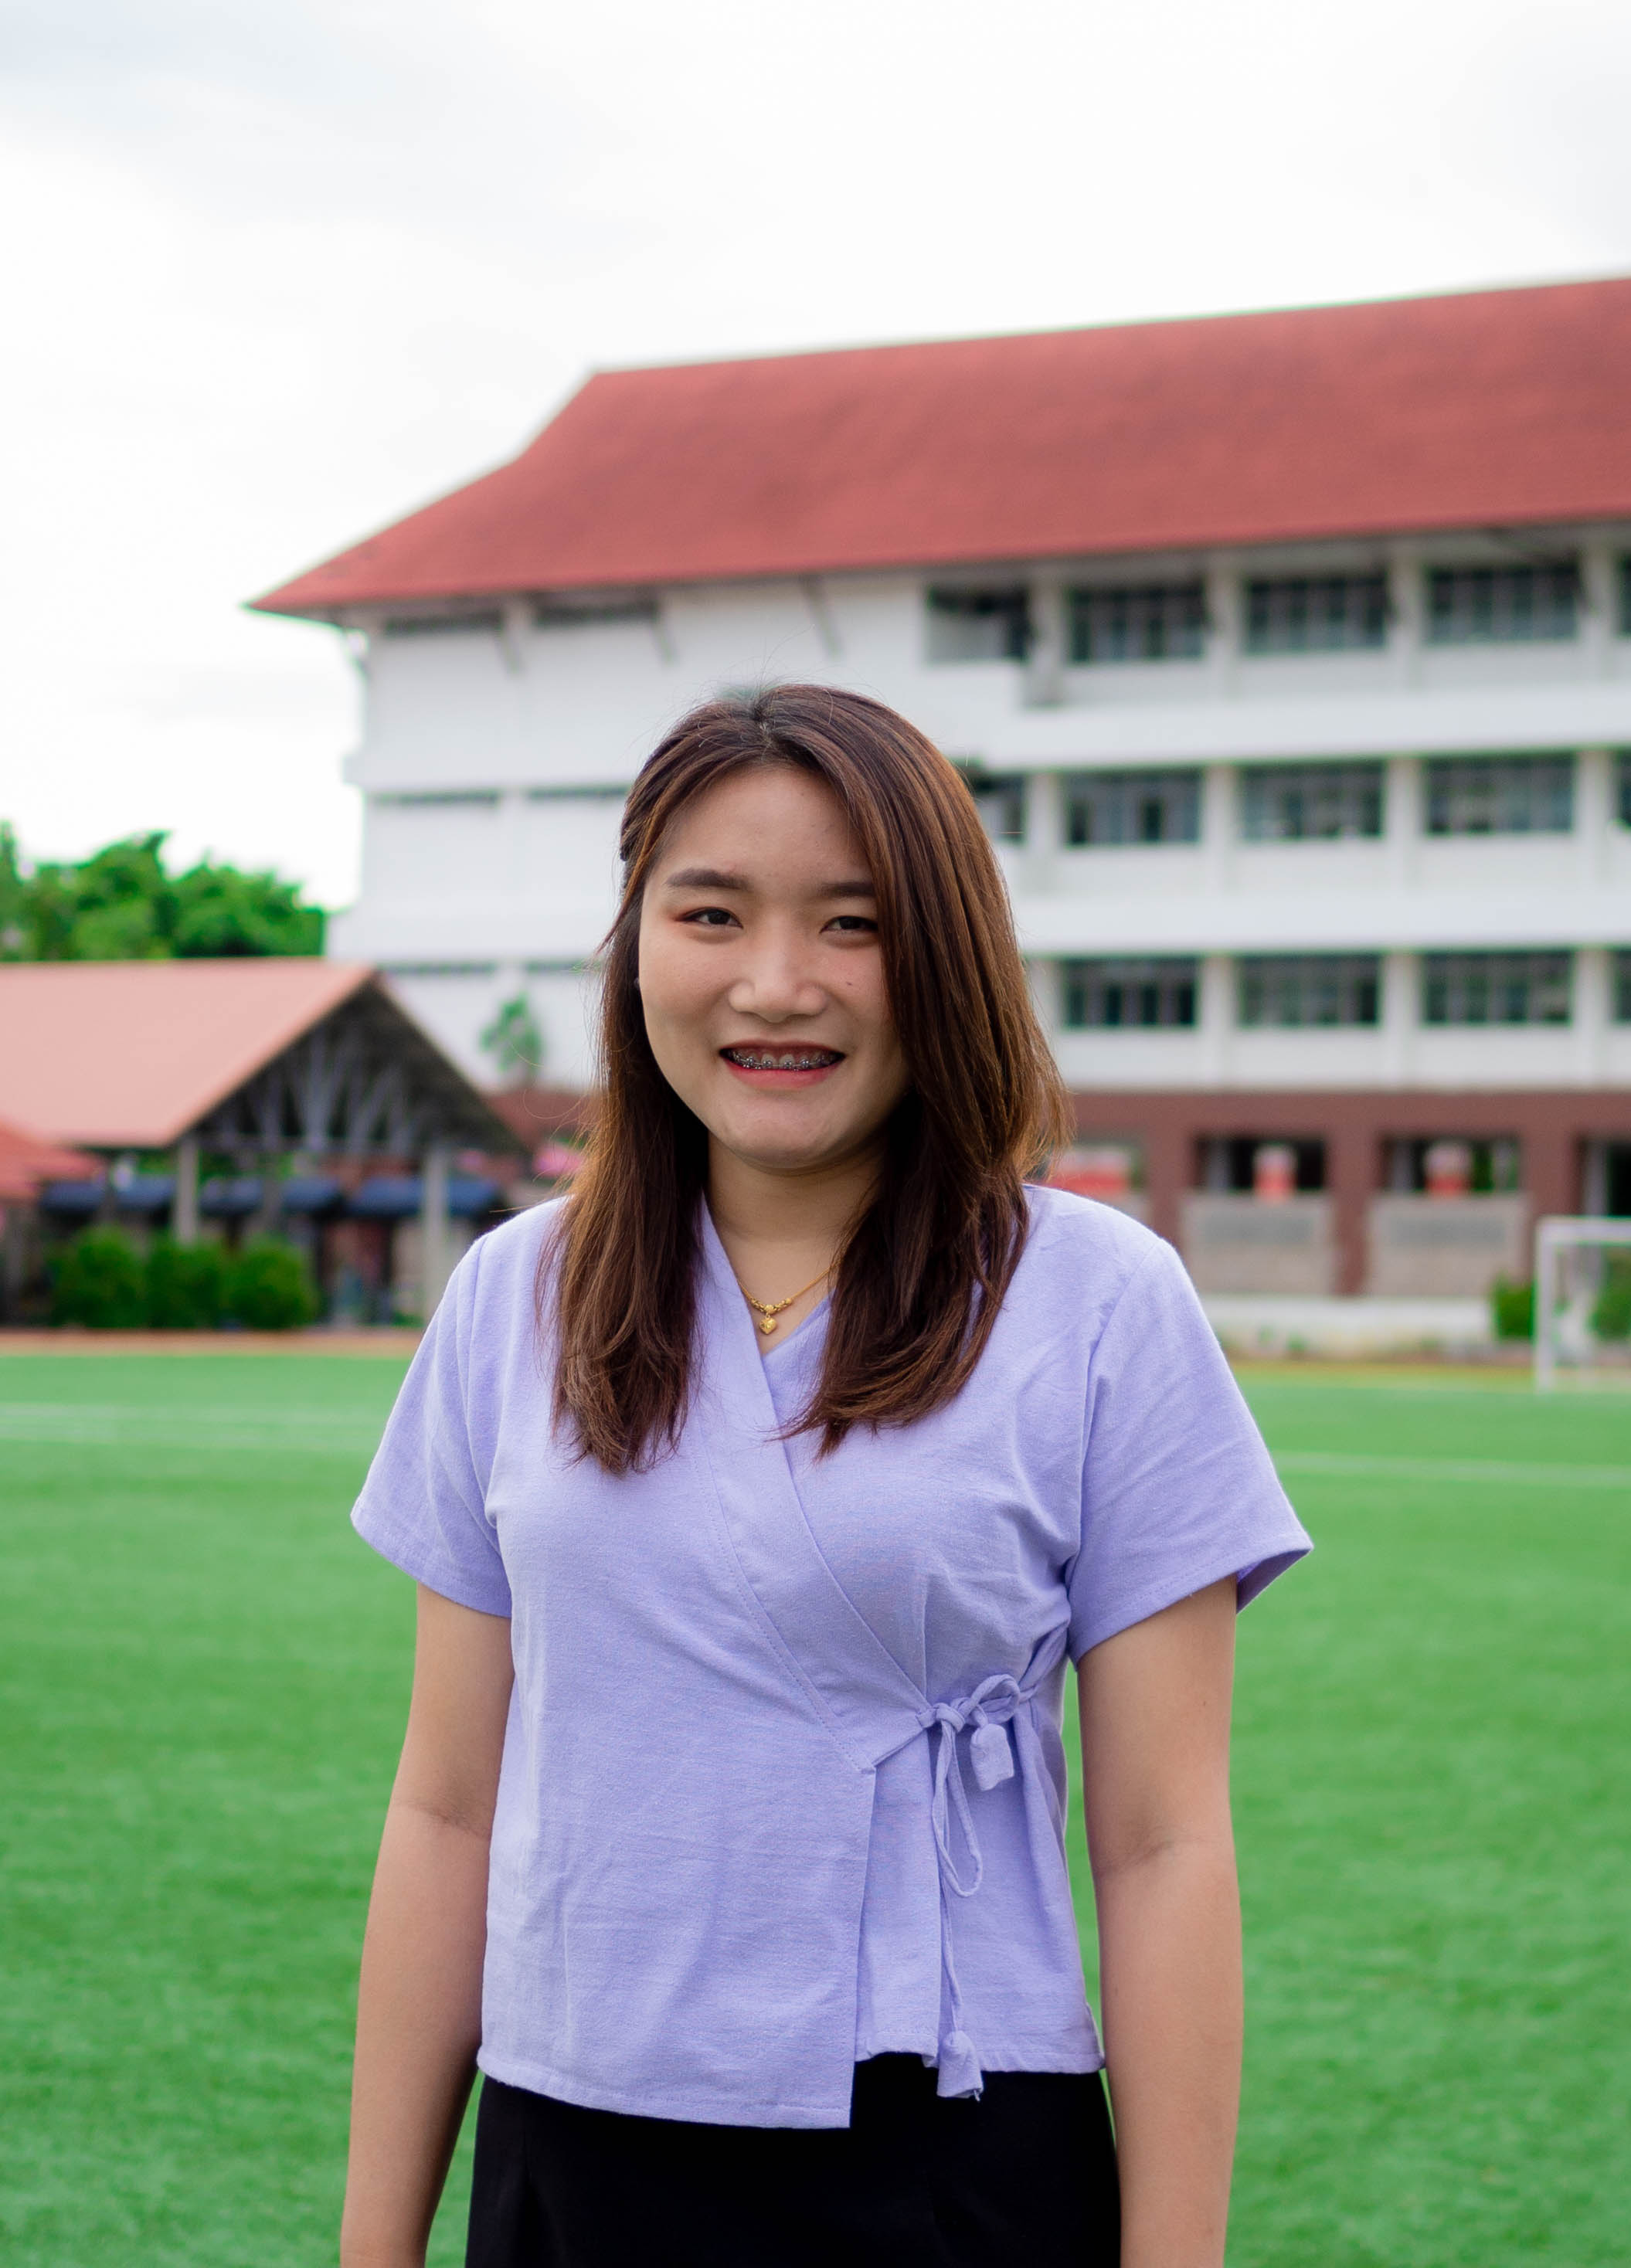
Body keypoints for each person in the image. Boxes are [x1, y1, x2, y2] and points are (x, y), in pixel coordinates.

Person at [340, 685, 1310, 2268]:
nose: (776, 984)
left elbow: (1163, 1847)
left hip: (952, 2146)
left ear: (949, 957)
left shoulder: (1100, 1302)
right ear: (636, 945)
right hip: (571, 2144)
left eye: (854, 923)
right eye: (710, 912)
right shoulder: (516, 1295)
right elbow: (446, 1811)